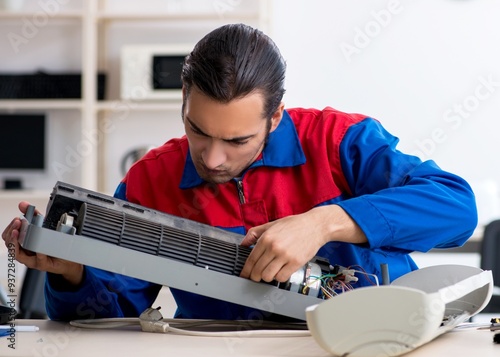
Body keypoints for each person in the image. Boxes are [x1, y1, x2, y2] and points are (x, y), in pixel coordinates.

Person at [3, 23, 477, 321]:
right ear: (183, 100)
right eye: (197, 131)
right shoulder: (152, 179)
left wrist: (324, 222)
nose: (211, 158)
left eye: (237, 141)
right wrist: (69, 273)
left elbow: (456, 206)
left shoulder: (338, 140)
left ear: (275, 119)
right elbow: (113, 310)